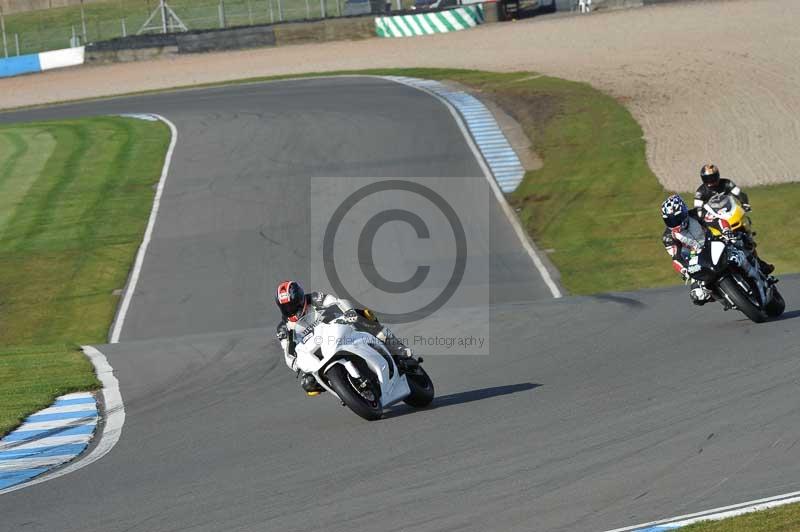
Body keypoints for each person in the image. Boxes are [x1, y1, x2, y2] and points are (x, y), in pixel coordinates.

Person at [274, 280, 415, 396]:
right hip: (318, 351)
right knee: (309, 384)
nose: (290, 309)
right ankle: (345, 390)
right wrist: (298, 366)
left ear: (300, 298)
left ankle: (396, 347)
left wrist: (348, 312)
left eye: (293, 304)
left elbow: (336, 302)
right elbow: (288, 352)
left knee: (363, 315)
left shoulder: (315, 298)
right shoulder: (283, 328)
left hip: (337, 331)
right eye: (286, 307)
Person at [694, 163, 773, 274]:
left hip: (730, 214)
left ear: (718, 175)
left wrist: (745, 203)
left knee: (746, 227)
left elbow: (740, 193)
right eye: (708, 178)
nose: (711, 181)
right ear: (703, 179)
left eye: (713, 177)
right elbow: (698, 209)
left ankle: (758, 261)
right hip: (715, 221)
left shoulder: (726, 183)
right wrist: (702, 218)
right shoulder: (700, 192)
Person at [661, 194, 713, 305]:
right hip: (696, 257)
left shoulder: (697, 214)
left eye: (677, 218)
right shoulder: (668, 237)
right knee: (697, 296)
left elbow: (715, 221)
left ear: (684, 212)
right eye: (670, 221)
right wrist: (684, 270)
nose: (674, 223)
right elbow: (676, 257)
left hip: (714, 243)